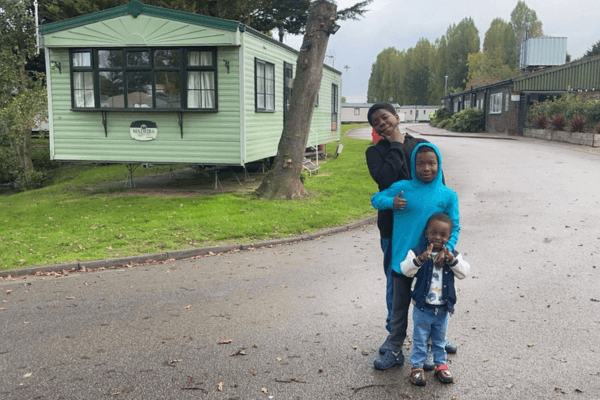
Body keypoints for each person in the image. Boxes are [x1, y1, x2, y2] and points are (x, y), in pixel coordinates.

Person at [370, 142, 460, 370]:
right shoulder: (403, 187)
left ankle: (432, 348)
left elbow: (455, 226)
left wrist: (446, 249)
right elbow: (375, 199)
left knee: (433, 308)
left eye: (431, 163)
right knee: (398, 308)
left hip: (433, 264)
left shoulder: (448, 195)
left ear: (439, 165)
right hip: (403, 260)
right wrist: (391, 202)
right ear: (413, 165)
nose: (426, 168)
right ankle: (395, 349)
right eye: (420, 164)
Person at [365, 103, 428, 354]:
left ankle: (433, 335)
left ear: (397, 117)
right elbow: (386, 180)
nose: (381, 123)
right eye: (375, 122)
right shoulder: (375, 152)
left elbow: (436, 181)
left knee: (428, 281)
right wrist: (395, 145)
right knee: (396, 282)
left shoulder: (420, 145)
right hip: (392, 229)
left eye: (384, 117)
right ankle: (394, 335)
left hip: (424, 228)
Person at [400, 213, 470, 386]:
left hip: (443, 308)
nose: (437, 238)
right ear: (426, 233)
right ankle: (416, 367)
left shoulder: (452, 254)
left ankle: (441, 365)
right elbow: (405, 269)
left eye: (443, 235)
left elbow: (464, 272)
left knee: (440, 340)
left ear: (449, 236)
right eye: (433, 233)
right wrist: (420, 259)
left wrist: (452, 260)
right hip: (423, 308)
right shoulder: (417, 252)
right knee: (419, 339)